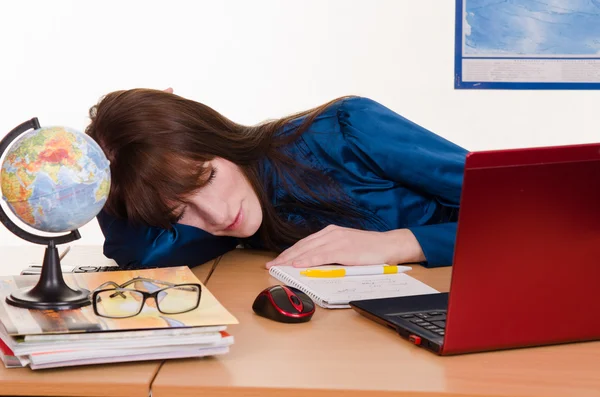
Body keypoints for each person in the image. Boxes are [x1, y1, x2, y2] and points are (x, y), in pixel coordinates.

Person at [85, 88, 468, 271]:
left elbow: (527, 209)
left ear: (215, 137)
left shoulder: (349, 129)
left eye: (208, 177)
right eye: (180, 211)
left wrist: (402, 244)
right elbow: (142, 255)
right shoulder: (215, 223)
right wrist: (101, 166)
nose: (217, 217)